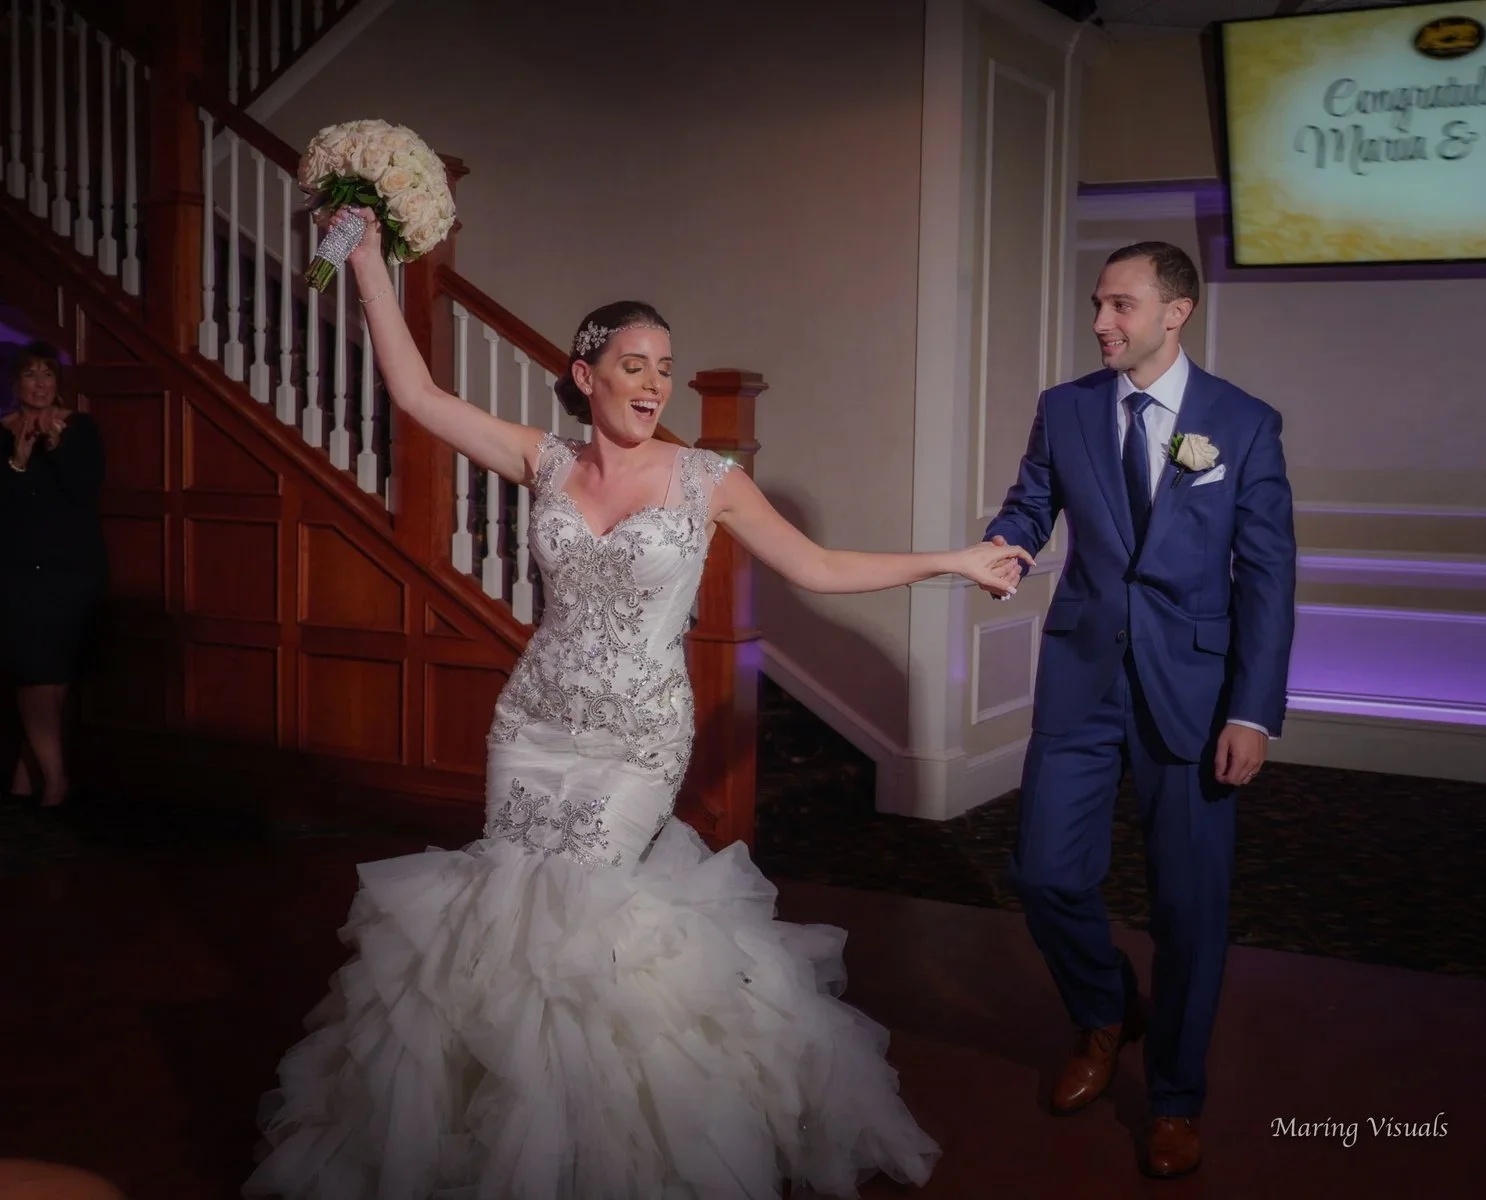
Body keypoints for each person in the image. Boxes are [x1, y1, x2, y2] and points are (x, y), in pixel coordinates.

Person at [243, 207, 1033, 1200]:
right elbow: (415, 392)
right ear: (586, 376)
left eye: (666, 366)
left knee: (584, 927)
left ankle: (593, 1161)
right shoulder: (545, 460)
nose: (656, 384)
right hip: (534, 725)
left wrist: (956, 560)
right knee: (510, 915)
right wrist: (366, 261)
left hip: (636, 739)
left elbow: (820, 567)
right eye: (635, 365)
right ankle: (490, 1146)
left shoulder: (710, 480)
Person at [982, 242, 1295, 1179]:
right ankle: (1106, 1007)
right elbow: (1030, 505)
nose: (1100, 323)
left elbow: (1270, 578)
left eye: (1120, 305)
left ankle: (1174, 1097)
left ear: (1177, 311)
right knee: (1042, 873)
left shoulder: (1242, 424)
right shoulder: (1066, 409)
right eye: (1096, 304)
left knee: (1190, 907)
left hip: (1198, 699)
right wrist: (1002, 547)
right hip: (1082, 677)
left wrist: (1254, 711)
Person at [0, 342, 107, 810]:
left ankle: (25, 776)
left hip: (73, 570)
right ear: (15, 384)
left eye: (48, 375)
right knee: (34, 676)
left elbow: (86, 491)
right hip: (19, 572)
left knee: (54, 679)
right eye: (31, 375)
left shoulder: (80, 428)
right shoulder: (1, 433)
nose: (40, 384)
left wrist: (57, 449)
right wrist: (18, 463)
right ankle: (56, 780)